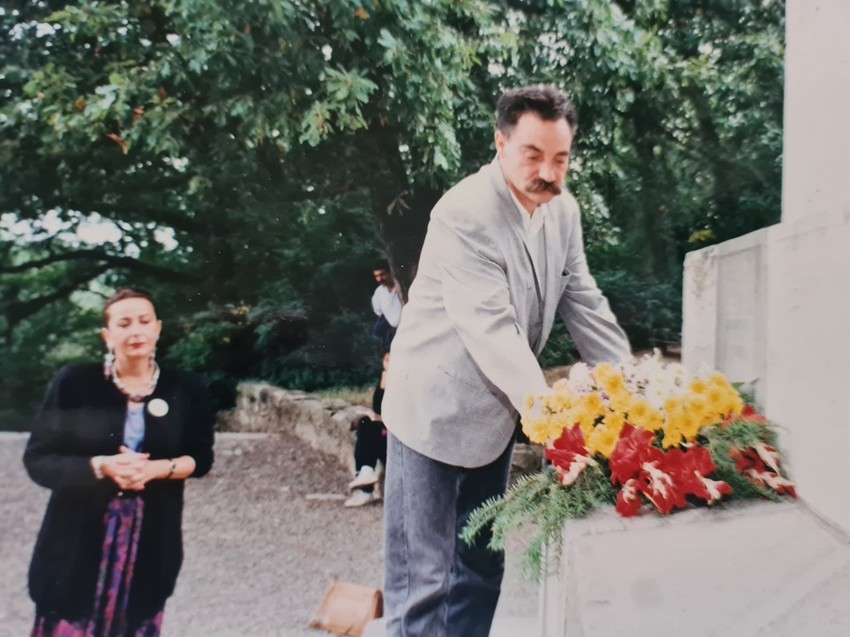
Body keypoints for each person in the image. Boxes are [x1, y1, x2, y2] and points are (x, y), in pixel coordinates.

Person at [381, 85, 631, 637]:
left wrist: (630, 386)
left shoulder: (563, 210)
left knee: (480, 567)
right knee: (424, 581)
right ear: (500, 143)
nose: (548, 171)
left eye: (561, 158)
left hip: (491, 422)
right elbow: (490, 330)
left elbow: (582, 298)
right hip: (429, 411)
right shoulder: (464, 212)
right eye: (533, 155)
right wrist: (558, 424)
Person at [23, 288, 215, 636]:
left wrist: (158, 469)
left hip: (151, 534)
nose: (136, 331)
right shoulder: (74, 383)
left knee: (136, 614)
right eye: (123, 323)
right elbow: (38, 459)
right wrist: (101, 466)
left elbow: (201, 459)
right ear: (107, 335)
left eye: (144, 321)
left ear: (158, 328)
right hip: (77, 535)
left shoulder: (187, 388)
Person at [345, 352, 390, 508]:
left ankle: (365, 481)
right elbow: (378, 409)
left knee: (368, 426)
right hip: (389, 435)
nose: (389, 362)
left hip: (403, 440)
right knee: (365, 422)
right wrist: (384, 384)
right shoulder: (386, 378)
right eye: (386, 359)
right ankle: (365, 474)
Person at [370, 263, 402, 350]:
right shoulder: (379, 292)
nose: (379, 279)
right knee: (375, 334)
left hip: (403, 326)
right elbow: (378, 311)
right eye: (376, 276)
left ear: (390, 272)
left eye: (382, 274)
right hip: (390, 323)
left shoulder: (402, 286)